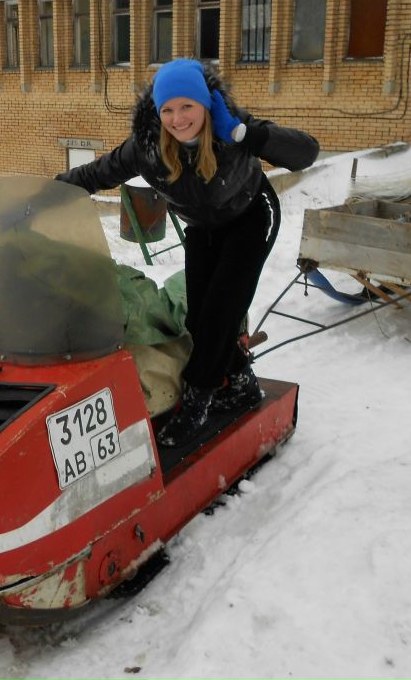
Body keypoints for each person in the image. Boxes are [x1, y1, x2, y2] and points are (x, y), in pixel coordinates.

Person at [55, 58, 319, 448]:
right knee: (200, 319)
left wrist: (246, 134)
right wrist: (47, 195)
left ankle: (197, 402)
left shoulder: (234, 128)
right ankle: (242, 382)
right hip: (203, 229)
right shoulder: (146, 148)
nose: (178, 119)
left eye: (187, 106)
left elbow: (306, 153)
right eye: (168, 110)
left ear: (206, 104)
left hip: (247, 220)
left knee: (218, 317)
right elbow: (96, 173)